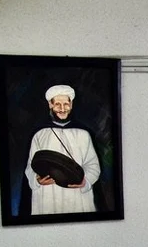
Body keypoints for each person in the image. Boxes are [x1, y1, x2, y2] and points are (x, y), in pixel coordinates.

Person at [24, 84, 101, 214]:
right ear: (50, 105)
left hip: (78, 196)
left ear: (71, 105)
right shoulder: (40, 134)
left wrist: (84, 181)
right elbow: (30, 167)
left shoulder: (83, 133)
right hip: (48, 195)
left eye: (66, 104)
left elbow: (93, 165)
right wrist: (37, 180)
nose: (62, 109)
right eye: (57, 104)